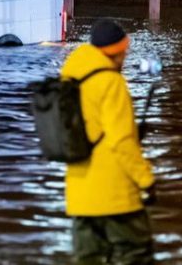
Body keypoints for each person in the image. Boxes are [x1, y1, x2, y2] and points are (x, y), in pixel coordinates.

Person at [60, 19, 156, 264]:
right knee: (136, 253)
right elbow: (121, 142)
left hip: (80, 198)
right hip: (116, 198)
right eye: (124, 52)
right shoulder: (111, 83)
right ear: (116, 52)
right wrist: (145, 179)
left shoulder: (69, 80)